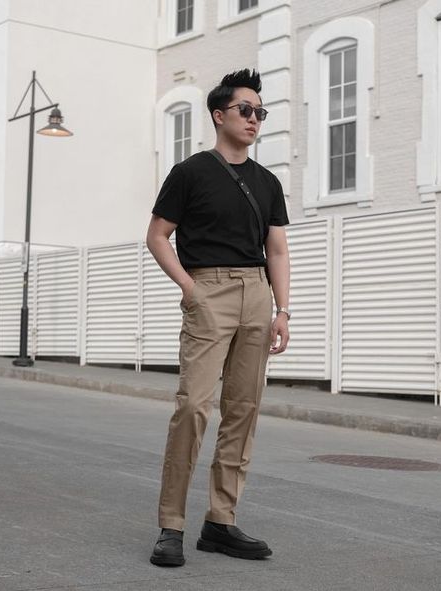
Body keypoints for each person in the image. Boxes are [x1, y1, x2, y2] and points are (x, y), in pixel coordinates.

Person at [146, 68, 290, 567]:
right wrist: (190, 289)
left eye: (260, 113)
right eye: (245, 110)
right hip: (208, 288)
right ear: (219, 115)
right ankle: (171, 524)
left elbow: (277, 250)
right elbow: (158, 235)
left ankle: (221, 522)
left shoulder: (268, 182)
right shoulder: (190, 172)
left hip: (257, 295)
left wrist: (282, 311)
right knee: (194, 406)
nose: (254, 120)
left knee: (243, 410)